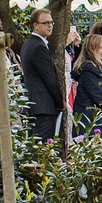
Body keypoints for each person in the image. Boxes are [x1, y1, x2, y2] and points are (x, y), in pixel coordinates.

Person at [18, 9, 66, 139]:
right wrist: (60, 103)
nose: (50, 25)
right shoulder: (38, 46)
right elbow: (49, 79)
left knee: (36, 146)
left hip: (35, 104)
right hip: (43, 106)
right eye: (45, 23)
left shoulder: (28, 44)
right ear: (35, 25)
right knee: (42, 149)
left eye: (51, 22)